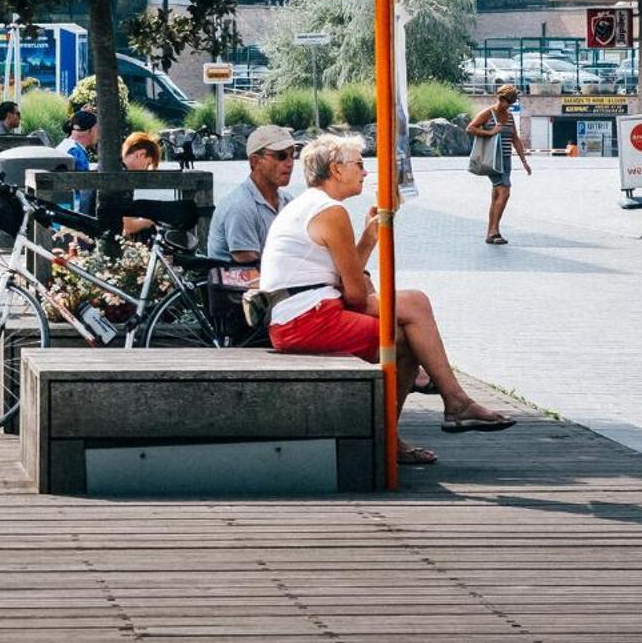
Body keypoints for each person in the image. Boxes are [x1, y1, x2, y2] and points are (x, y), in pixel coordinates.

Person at [258, 133, 514, 466]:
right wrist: (372, 294)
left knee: (409, 325)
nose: (365, 173)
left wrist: (369, 236)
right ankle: (444, 408)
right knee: (413, 314)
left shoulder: (312, 205)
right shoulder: (329, 211)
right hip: (306, 319)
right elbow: (352, 293)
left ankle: (427, 418)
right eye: (359, 165)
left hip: (301, 313)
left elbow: (343, 277)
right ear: (336, 169)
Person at [206, 124, 298, 265]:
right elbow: (249, 266)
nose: (290, 163)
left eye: (293, 155)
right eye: (281, 156)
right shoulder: (240, 207)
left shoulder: (288, 201)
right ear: (255, 161)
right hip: (243, 284)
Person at [466, 83, 531, 245]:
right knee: (505, 192)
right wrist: (489, 132)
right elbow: (470, 128)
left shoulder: (509, 117)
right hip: (493, 160)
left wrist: (524, 161)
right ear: (500, 99)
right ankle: (494, 231)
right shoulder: (488, 113)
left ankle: (491, 232)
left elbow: (514, 138)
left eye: (511, 103)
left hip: (506, 160)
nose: (508, 105)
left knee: (496, 195)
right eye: (507, 102)